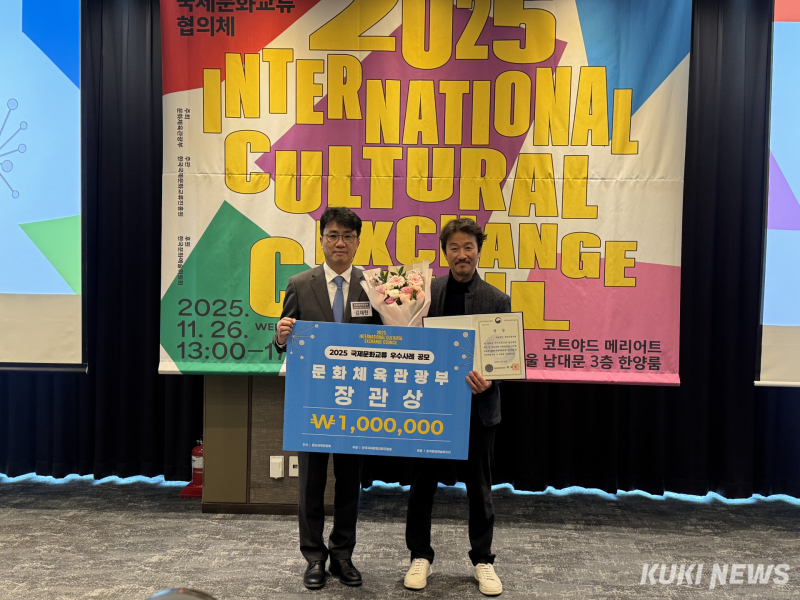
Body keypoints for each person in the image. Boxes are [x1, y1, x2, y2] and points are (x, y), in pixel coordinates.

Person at [273, 207, 380, 590]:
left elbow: (389, 339)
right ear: (321, 239)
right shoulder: (300, 283)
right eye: (333, 235)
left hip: (357, 403)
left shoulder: (374, 287)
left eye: (348, 236)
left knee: (350, 483)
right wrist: (281, 336)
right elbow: (282, 341)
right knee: (311, 485)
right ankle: (314, 558)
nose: (340, 243)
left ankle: (343, 555)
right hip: (312, 403)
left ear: (357, 242)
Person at [403, 218, 510, 596]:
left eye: (468, 247)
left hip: (477, 409)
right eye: (454, 248)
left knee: (480, 489)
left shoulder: (496, 299)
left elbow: (505, 359)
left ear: (478, 251)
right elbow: (408, 342)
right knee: (421, 486)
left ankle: (483, 560)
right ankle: (419, 555)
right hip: (431, 406)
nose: (461, 254)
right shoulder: (425, 293)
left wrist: (491, 379)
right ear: (444, 252)